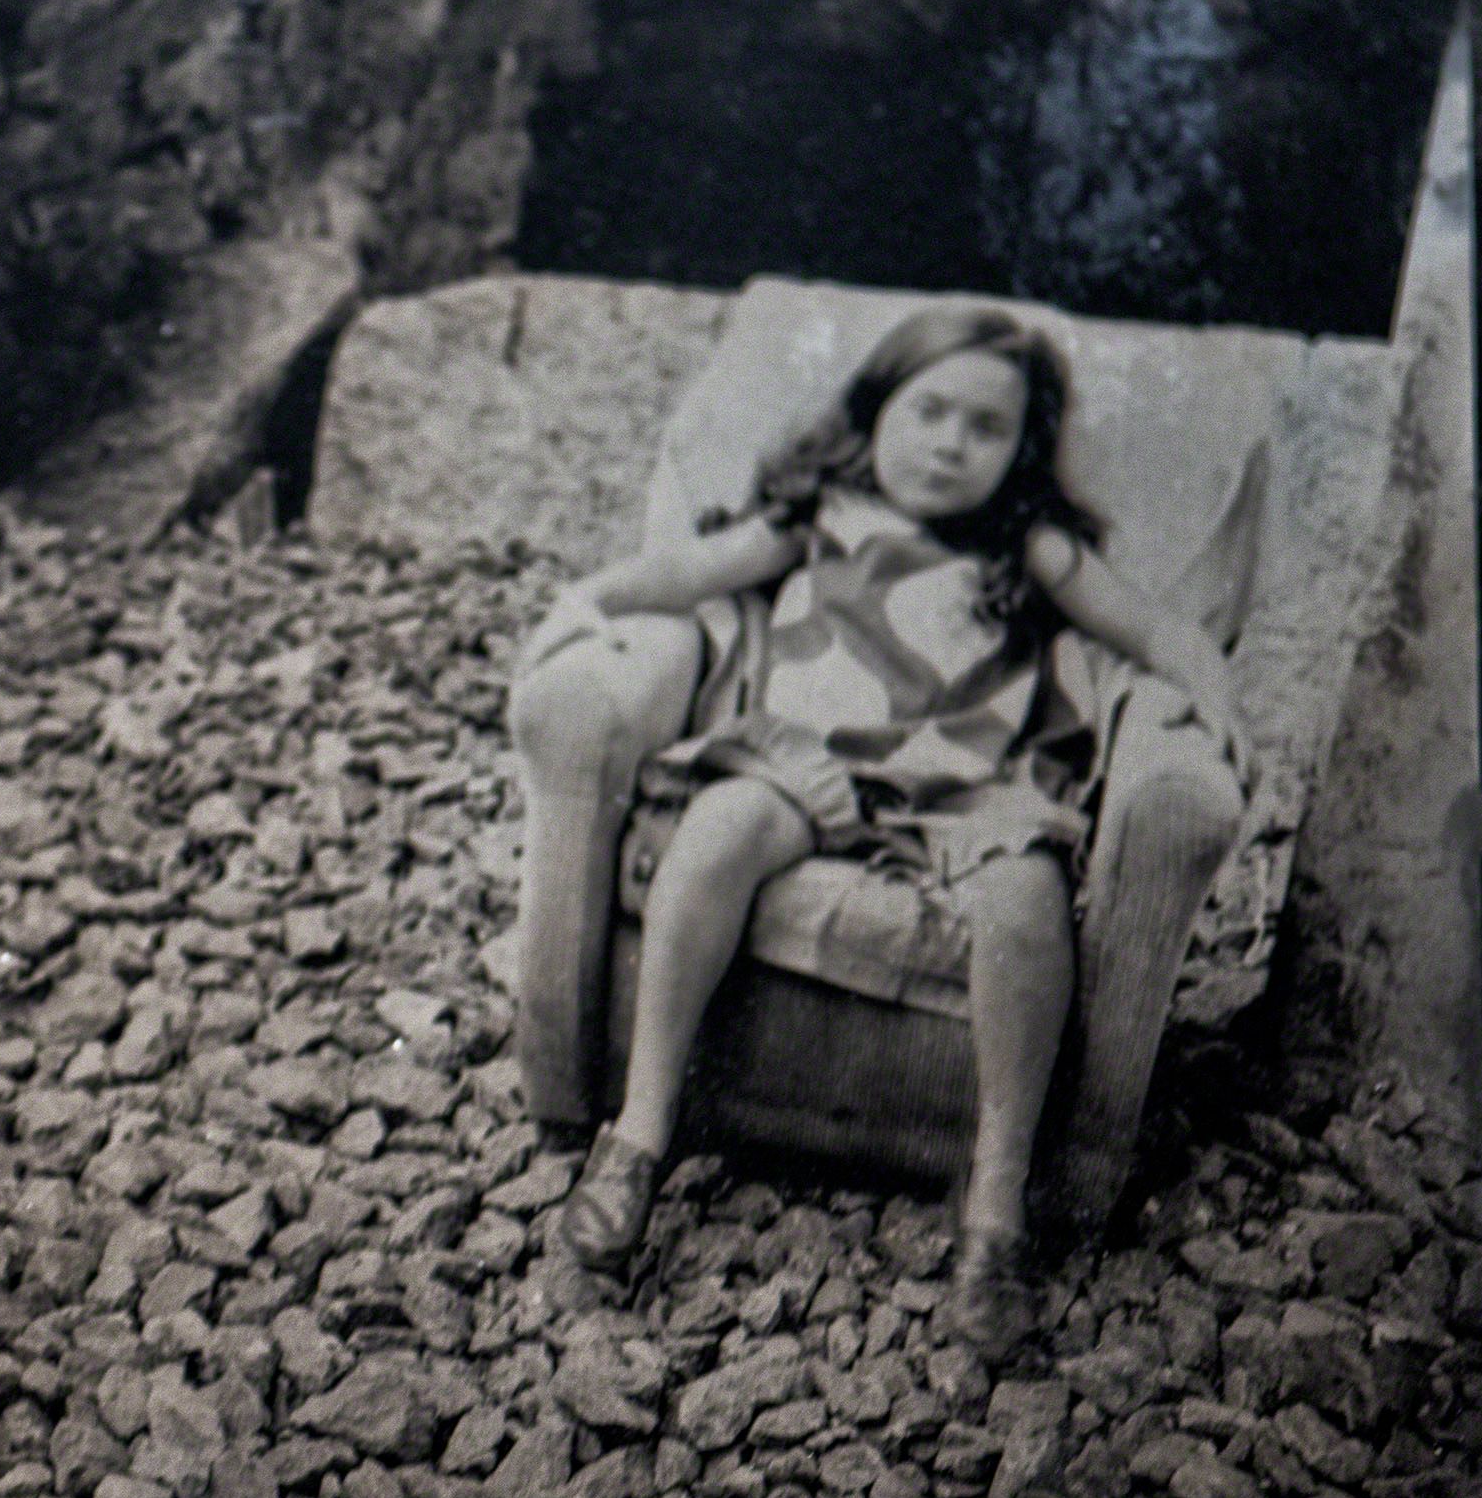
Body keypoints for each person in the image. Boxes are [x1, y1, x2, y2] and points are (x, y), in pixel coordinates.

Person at [513, 307, 1247, 1355]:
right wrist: (584, 602)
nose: (950, 444)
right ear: (874, 412)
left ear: (1021, 448)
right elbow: (685, 574)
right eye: (929, 412)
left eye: (984, 428)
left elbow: (1157, 632)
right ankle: (637, 1135)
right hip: (808, 761)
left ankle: (992, 1211)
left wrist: (1212, 698)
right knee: (715, 832)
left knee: (1028, 907)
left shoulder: (1026, 545)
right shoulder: (818, 511)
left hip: (966, 788)